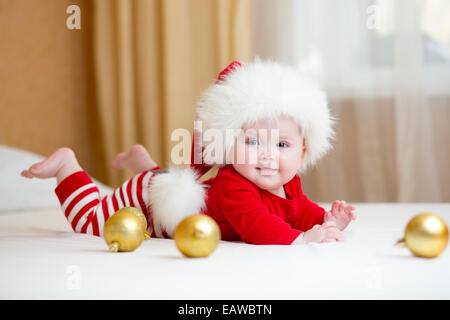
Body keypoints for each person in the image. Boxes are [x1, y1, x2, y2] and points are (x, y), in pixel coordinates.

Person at [21, 59, 356, 245]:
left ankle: (145, 165)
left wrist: (326, 221)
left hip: (166, 187)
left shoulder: (288, 184)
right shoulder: (233, 186)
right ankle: (67, 167)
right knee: (89, 221)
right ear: (228, 143)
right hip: (148, 204)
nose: (266, 156)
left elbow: (298, 211)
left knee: (165, 180)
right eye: (252, 142)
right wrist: (303, 241)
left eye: (281, 145)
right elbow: (257, 226)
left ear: (303, 152)